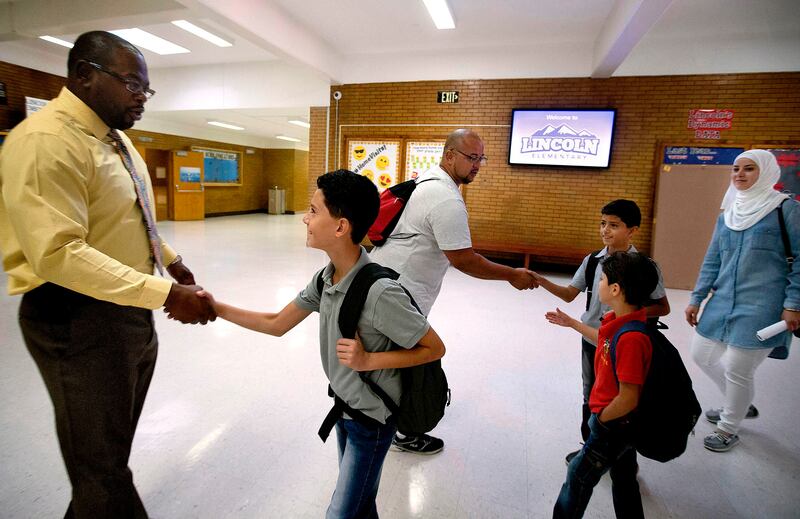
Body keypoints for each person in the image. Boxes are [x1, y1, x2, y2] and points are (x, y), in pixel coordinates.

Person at [0, 31, 215, 518]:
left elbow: (131, 213)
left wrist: (170, 258)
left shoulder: (116, 142)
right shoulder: (44, 143)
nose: (141, 98)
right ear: (84, 76)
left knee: (104, 457)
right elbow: (58, 253)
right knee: (104, 472)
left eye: (146, 89)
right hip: (75, 319)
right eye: (132, 85)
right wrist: (162, 292)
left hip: (126, 312)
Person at [197, 170, 446, 518]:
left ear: (341, 226)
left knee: (342, 512)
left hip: (372, 421)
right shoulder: (327, 277)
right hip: (346, 410)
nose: (305, 218)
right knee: (360, 506)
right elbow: (276, 323)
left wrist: (367, 360)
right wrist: (215, 308)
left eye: (314, 211)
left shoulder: (380, 292)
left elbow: (434, 348)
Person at [369, 128, 538, 454]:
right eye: (470, 157)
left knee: (393, 360)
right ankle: (397, 433)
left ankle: (384, 426)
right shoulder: (446, 198)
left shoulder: (426, 182)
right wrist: (512, 275)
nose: (476, 165)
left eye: (480, 158)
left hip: (386, 284)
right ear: (449, 155)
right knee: (408, 361)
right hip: (400, 294)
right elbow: (464, 259)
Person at [532, 199, 669, 462]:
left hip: (622, 345)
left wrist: (623, 315)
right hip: (591, 339)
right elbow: (570, 294)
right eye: (603, 223)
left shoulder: (643, 266)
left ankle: (621, 454)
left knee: (622, 398)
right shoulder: (594, 261)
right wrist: (541, 280)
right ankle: (590, 448)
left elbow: (662, 307)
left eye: (614, 225)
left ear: (632, 230)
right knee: (591, 393)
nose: (605, 230)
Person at [686, 149, 799, 452]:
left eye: (749, 169)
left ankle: (728, 427)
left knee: (738, 368)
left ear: (766, 172)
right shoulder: (729, 213)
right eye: (736, 169)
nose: (739, 174)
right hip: (722, 301)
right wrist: (697, 298)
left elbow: (799, 260)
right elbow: (712, 260)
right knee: (702, 354)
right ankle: (740, 402)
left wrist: (793, 304)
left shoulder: (784, 209)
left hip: (763, 304)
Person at [546, 252, 659, 519]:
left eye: (603, 279)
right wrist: (573, 323)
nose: (598, 284)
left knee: (577, 478)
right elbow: (604, 341)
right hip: (618, 423)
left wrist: (600, 423)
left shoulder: (632, 338)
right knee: (624, 479)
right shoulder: (617, 322)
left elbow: (629, 397)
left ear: (616, 289)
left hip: (613, 424)